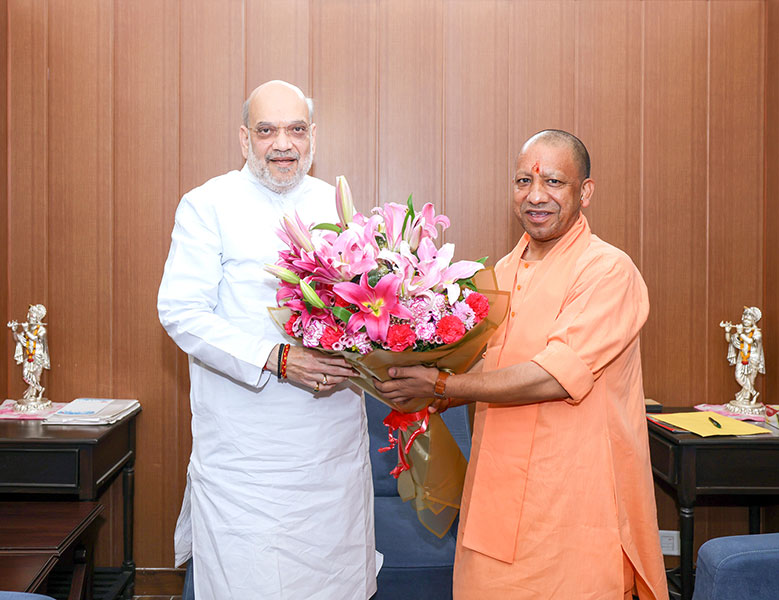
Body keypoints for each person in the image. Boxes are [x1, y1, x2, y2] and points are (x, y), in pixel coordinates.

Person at [377, 130, 668, 599]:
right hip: (496, 496)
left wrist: (442, 385)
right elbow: (487, 369)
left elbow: (553, 376)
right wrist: (423, 393)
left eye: (553, 182)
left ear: (585, 192)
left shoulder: (607, 271)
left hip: (573, 506)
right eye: (523, 181)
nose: (535, 196)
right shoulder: (501, 274)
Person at [158, 80, 377, 599]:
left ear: (313, 137)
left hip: (331, 449)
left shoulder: (338, 207)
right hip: (246, 454)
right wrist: (276, 358)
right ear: (244, 139)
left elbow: (364, 304)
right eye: (266, 131)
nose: (283, 144)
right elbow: (181, 311)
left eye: (296, 129)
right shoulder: (207, 204)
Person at [7, 304, 51, 409]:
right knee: (26, 374)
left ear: (37, 318)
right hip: (28, 355)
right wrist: (14, 330)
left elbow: (36, 339)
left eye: (31, 316)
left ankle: (33, 394)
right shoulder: (28, 329)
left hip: (38, 356)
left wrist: (26, 331)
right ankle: (39, 389)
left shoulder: (42, 330)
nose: (29, 317)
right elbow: (18, 339)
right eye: (29, 315)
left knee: (36, 376)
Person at [721, 306, 765, 405]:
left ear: (753, 321)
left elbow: (749, 341)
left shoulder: (757, 333)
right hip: (742, 356)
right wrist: (727, 331)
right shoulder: (741, 331)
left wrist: (740, 333)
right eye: (744, 318)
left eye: (748, 319)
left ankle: (746, 399)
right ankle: (754, 393)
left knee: (750, 379)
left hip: (753, 358)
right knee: (738, 376)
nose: (746, 320)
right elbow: (730, 340)